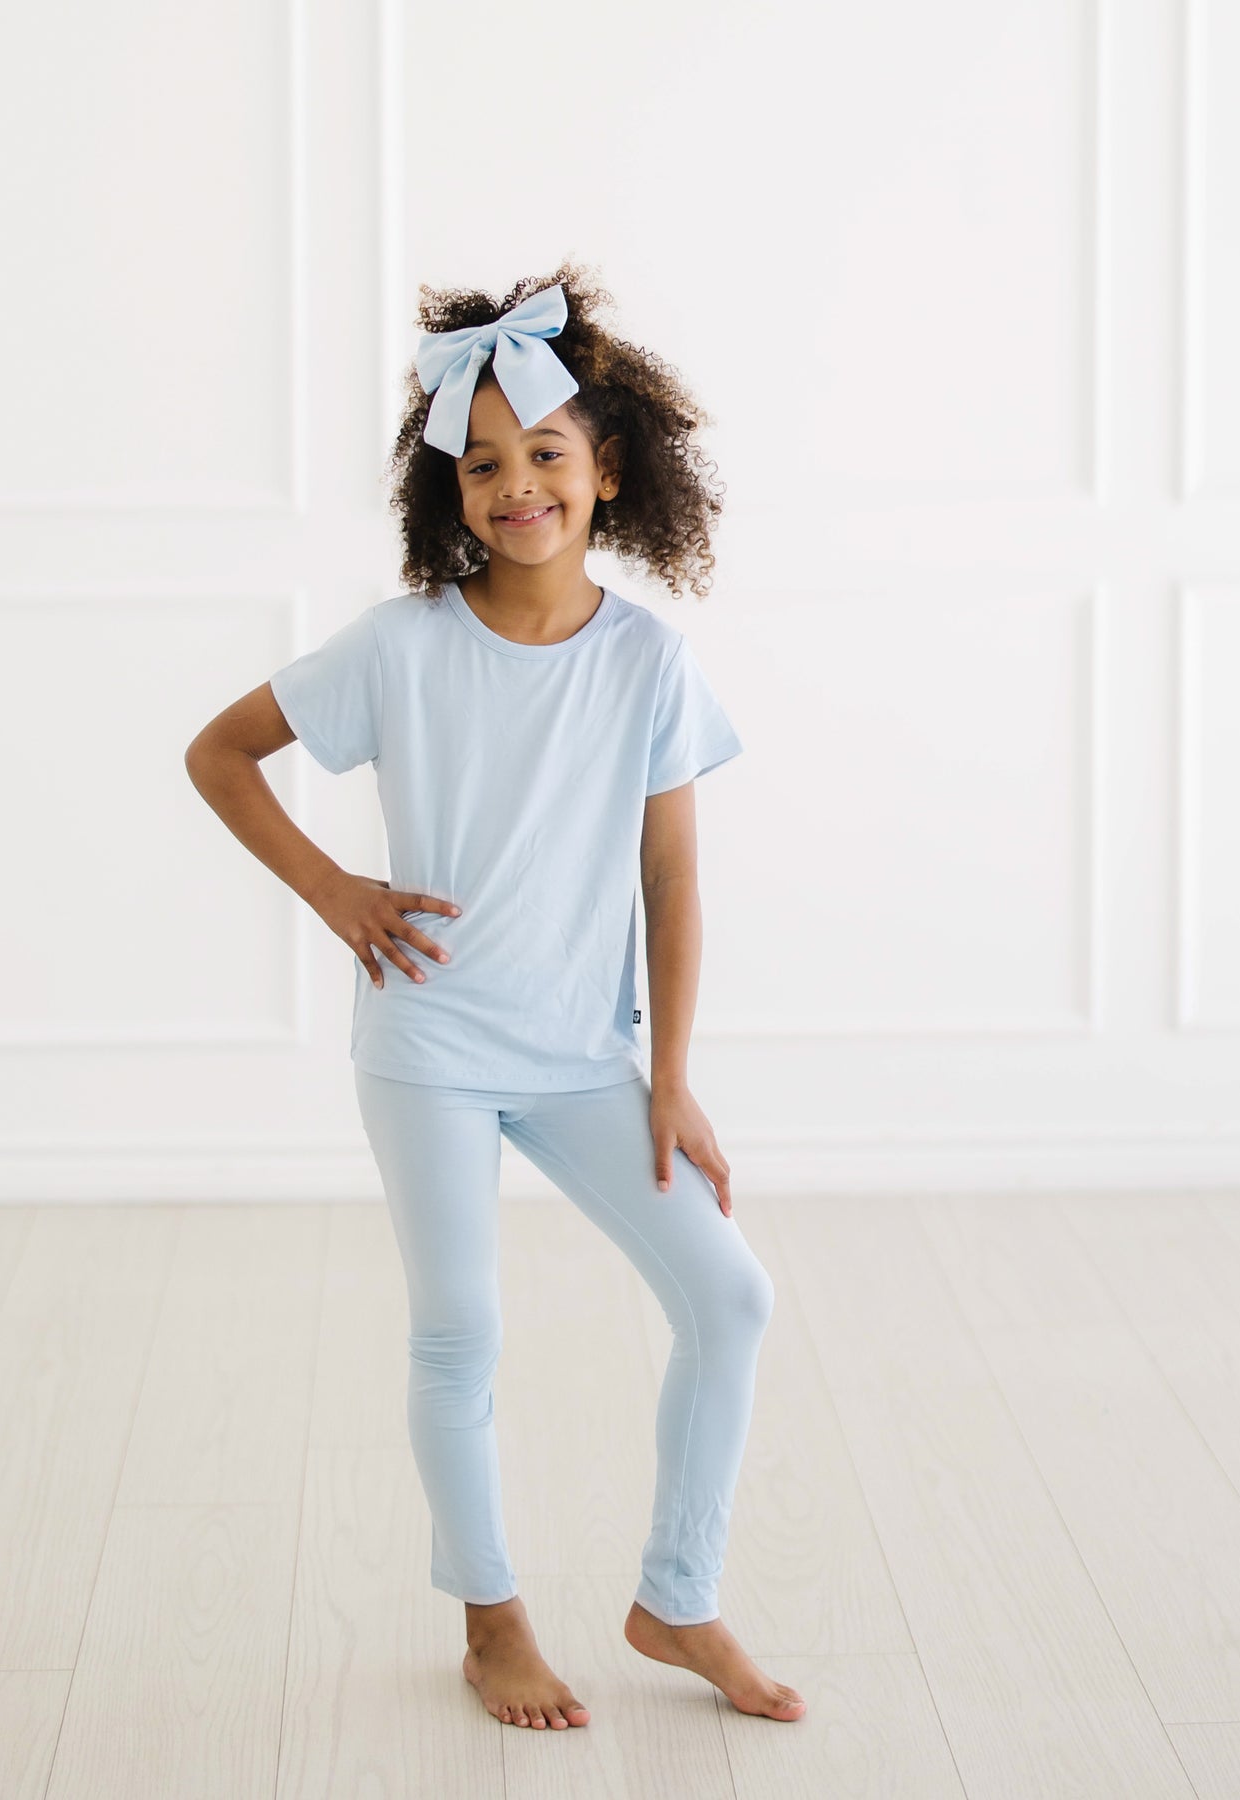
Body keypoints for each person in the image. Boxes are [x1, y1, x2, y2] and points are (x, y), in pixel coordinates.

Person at [185, 263, 804, 1731]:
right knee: (461, 1324)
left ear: (608, 476)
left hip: (587, 1055)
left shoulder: (650, 664)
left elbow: (673, 884)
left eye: (544, 457)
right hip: (433, 1047)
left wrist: (668, 1074)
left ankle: (680, 1598)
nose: (515, 486)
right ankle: (493, 1622)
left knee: (729, 1296)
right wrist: (336, 894)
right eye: (482, 465)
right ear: (445, 492)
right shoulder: (398, 649)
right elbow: (219, 753)